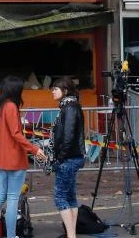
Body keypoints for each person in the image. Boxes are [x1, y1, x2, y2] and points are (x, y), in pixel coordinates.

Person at [0, 76, 46, 238]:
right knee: (12, 198)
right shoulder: (11, 107)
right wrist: (35, 149)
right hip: (14, 158)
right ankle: (11, 236)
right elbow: (16, 134)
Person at [51, 77, 85, 238]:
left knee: (60, 197)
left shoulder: (70, 107)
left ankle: (71, 234)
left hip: (69, 158)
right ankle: (72, 234)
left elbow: (68, 135)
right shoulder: (70, 106)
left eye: (55, 89)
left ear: (65, 90)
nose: (52, 91)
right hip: (73, 156)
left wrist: (61, 157)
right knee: (70, 196)